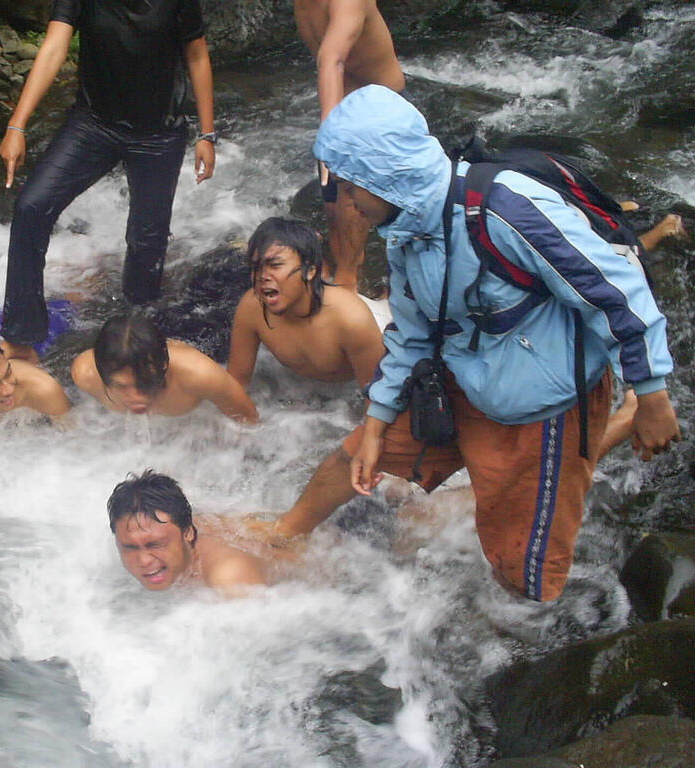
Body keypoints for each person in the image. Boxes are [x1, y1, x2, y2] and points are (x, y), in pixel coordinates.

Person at [261, 85, 681, 602]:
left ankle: (611, 426)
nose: (347, 203)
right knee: (351, 459)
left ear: (387, 175)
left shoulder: (506, 209)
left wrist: (654, 390)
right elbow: (411, 336)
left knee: (521, 572)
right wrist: (375, 424)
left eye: (353, 188)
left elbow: (614, 289)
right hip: (460, 375)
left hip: (539, 407)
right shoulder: (405, 232)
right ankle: (280, 538)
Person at [0, 0, 217, 361]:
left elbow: (196, 55)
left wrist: (207, 135)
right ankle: (23, 336)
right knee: (32, 206)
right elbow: (54, 47)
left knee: (147, 242)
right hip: (93, 125)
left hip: (158, 135)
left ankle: (137, 336)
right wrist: (17, 125)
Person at [294, 0, 405, 291]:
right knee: (331, 204)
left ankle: (348, 281)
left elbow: (333, 60)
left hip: (382, 106)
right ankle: (343, 269)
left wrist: (332, 134)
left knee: (350, 198)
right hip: (345, 105)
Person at [227, 216, 385, 389]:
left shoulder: (351, 320)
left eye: (275, 265)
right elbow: (236, 384)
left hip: (381, 330)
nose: (262, 276)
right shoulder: (251, 308)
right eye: (255, 267)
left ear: (310, 271)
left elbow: (380, 399)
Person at [72, 314, 258, 423]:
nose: (137, 397)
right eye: (122, 386)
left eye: (146, 382)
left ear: (163, 366)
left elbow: (249, 423)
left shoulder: (200, 376)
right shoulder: (86, 375)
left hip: (199, 332)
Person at [108, 470, 269, 594]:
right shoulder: (166, 527)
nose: (143, 561)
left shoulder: (230, 580)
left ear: (188, 533)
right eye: (130, 547)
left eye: (156, 545)